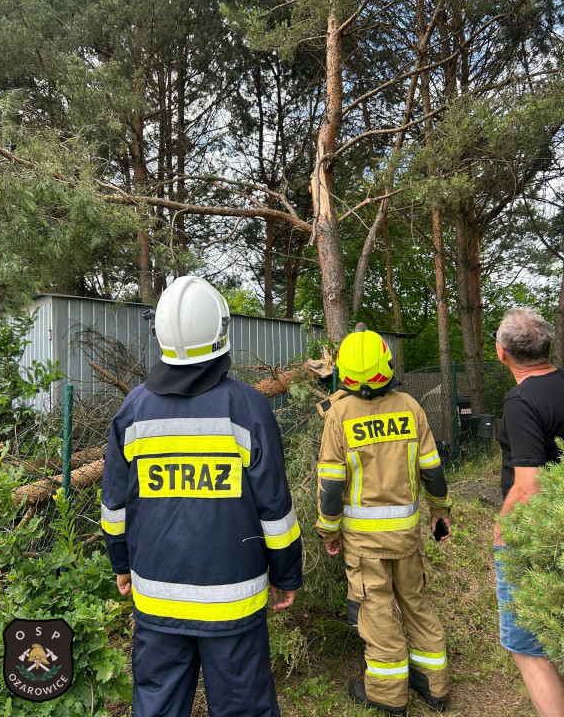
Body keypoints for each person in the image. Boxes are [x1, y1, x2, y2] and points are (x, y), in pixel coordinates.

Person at [101, 276, 302, 717]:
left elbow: (114, 508)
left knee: (157, 705)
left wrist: (121, 565)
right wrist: (286, 574)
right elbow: (275, 510)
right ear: (221, 330)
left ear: (163, 337)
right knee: (243, 707)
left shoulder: (132, 411)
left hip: (156, 595)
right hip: (233, 599)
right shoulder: (248, 408)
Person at [316, 324, 451, 717]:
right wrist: (440, 513)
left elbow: (330, 486)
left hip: (364, 544)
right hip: (406, 536)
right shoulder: (410, 406)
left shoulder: (338, 414)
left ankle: (388, 695)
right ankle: (435, 685)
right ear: (386, 366)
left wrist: (328, 530)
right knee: (416, 604)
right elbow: (433, 471)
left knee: (377, 612)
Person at [493, 307, 564, 717]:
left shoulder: (521, 401)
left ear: (503, 354)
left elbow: (528, 485)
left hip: (537, 534)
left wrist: (502, 529)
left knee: (527, 647)